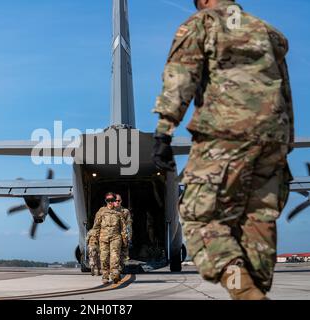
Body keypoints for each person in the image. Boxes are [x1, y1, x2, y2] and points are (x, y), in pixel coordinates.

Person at [152, 0, 293, 300]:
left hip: (225, 132)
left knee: (198, 218)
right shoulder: (268, 31)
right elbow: (285, 91)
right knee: (259, 220)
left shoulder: (202, 23)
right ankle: (254, 290)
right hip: (273, 137)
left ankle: (246, 294)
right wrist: (284, 147)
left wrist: (165, 131)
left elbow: (181, 75)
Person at [91, 193, 128, 284]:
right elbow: (96, 226)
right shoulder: (101, 212)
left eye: (112, 200)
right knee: (103, 258)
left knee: (114, 257)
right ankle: (105, 276)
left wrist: (125, 240)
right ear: (106, 201)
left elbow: (123, 228)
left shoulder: (119, 213)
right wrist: (93, 239)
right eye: (108, 200)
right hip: (103, 238)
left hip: (115, 238)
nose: (111, 202)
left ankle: (115, 274)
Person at [114, 194, 132, 271]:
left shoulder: (125, 212)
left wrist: (129, 237)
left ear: (121, 201)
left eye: (119, 200)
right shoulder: (107, 211)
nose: (117, 202)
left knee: (122, 255)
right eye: (115, 200)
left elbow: (129, 225)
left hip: (121, 235)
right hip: (110, 235)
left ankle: (120, 267)